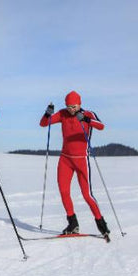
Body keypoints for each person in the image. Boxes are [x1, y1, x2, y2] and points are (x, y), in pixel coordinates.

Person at [39, 91, 111, 239]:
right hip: (65, 160)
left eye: (74, 106)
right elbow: (44, 124)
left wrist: (85, 119)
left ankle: (101, 223)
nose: (71, 109)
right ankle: (72, 224)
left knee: (87, 195)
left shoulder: (88, 114)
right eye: (68, 106)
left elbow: (101, 126)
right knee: (64, 191)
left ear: (80, 104)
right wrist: (47, 113)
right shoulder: (63, 114)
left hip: (81, 160)